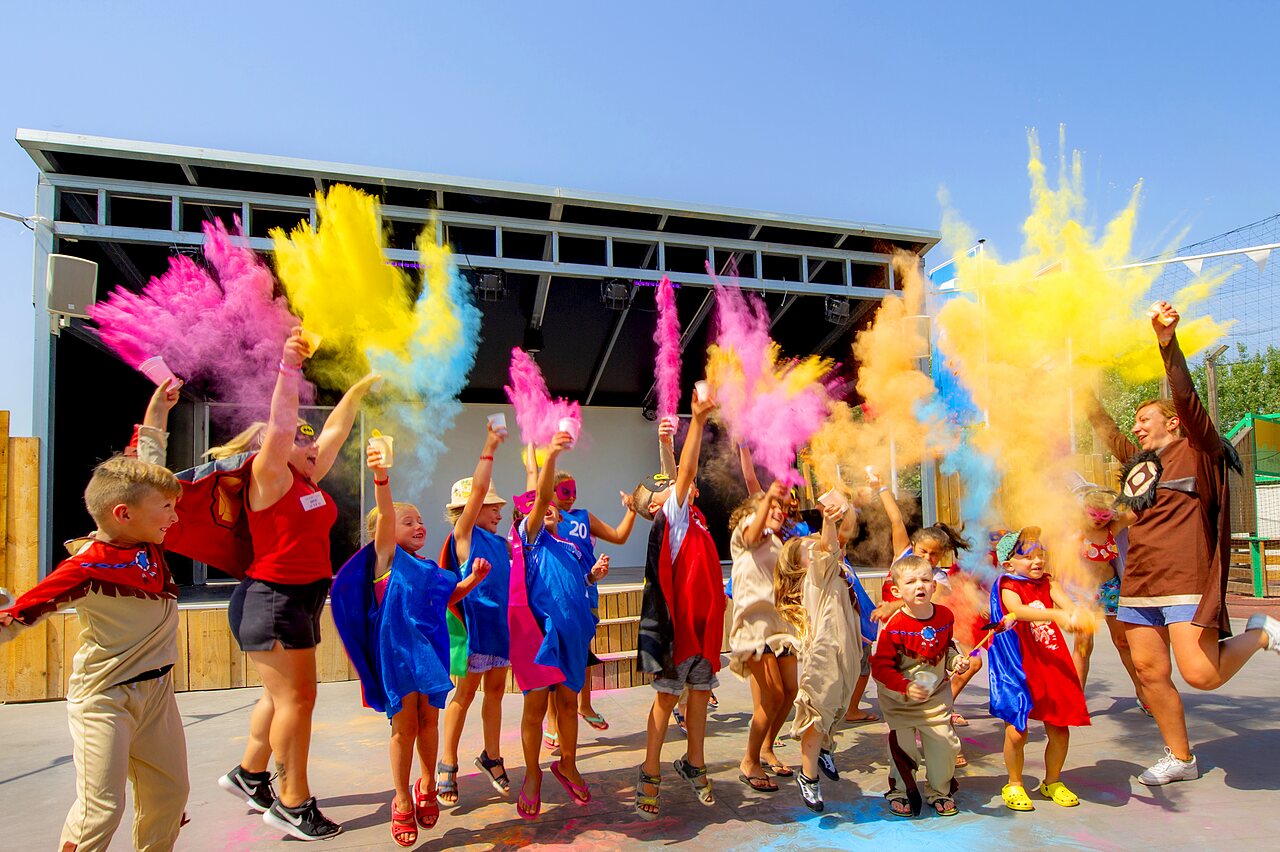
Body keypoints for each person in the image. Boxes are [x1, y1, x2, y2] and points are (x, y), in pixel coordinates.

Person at [1086, 303, 1280, 785]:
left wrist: (1167, 344)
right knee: (1150, 674)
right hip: (1139, 584)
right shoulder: (1140, 465)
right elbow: (1107, 430)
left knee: (1202, 675)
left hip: (1187, 579)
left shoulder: (1200, 450)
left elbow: (1188, 397)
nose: (1136, 426)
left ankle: (1259, 632)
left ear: (1173, 423)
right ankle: (1181, 758)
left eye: (1145, 418)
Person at [216, 329, 378, 841]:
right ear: (273, 448)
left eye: (309, 442)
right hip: (272, 599)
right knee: (297, 701)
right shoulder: (269, 476)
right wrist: (289, 366)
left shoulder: (305, 481)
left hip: (299, 597)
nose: (310, 443)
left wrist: (359, 390)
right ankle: (293, 801)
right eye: (298, 440)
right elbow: (284, 425)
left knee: (280, 697)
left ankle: (248, 774)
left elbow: (333, 429)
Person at [1, 450, 186, 852]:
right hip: (104, 699)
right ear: (123, 514)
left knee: (169, 796)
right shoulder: (83, 569)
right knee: (101, 809)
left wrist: (159, 410)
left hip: (158, 696)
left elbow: (148, 465)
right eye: (167, 508)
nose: (174, 517)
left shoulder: (147, 540)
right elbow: (17, 618)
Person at [331, 440, 491, 846]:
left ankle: (425, 783)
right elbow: (385, 512)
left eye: (420, 520)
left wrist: (471, 581)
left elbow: (447, 598)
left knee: (429, 721)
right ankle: (401, 799)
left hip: (431, 655)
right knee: (403, 728)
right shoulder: (387, 560)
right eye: (408, 521)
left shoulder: (429, 568)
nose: (418, 525)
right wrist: (382, 475)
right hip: (399, 657)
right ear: (384, 533)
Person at [633, 389, 724, 818]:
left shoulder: (695, 521)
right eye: (664, 494)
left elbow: (677, 479)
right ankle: (650, 772)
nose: (675, 491)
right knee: (667, 701)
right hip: (679, 634)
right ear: (657, 508)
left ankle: (694, 762)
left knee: (701, 695)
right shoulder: (671, 523)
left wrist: (665, 446)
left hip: (704, 633)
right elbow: (682, 476)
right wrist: (699, 421)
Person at [515, 429, 607, 819]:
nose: (548, 506)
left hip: (572, 638)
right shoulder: (529, 537)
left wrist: (593, 577)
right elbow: (538, 499)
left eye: (552, 504)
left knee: (568, 705)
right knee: (536, 709)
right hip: (539, 639)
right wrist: (549, 455)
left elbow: (576, 585)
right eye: (541, 503)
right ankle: (533, 773)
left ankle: (568, 763)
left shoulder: (569, 545)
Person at [987, 528, 1091, 812]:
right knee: (1017, 732)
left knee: (1060, 726)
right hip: (1017, 664)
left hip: (1049, 659)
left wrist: (1079, 618)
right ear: (1009, 563)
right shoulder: (1007, 584)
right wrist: (1056, 614)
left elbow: (1070, 608)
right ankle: (1015, 783)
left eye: (1040, 555)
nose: (1037, 561)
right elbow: (1018, 611)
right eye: (1028, 556)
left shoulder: (1049, 583)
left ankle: (1053, 781)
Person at [438, 422, 513, 806]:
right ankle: (447, 762)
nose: (499, 510)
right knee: (463, 695)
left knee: (496, 693)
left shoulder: (502, 544)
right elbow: (480, 489)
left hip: (500, 632)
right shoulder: (464, 536)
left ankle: (492, 756)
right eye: (492, 506)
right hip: (473, 633)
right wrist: (489, 445)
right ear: (471, 509)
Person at [774, 501, 863, 813]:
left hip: (847, 650)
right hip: (825, 655)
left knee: (839, 704)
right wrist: (828, 519)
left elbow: (834, 547)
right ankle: (808, 775)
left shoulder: (836, 576)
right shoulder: (815, 576)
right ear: (802, 565)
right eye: (809, 548)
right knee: (818, 709)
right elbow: (828, 546)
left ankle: (825, 747)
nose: (817, 546)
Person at [870, 555, 969, 818]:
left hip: (935, 697)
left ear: (934, 586)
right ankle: (900, 791)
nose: (919, 586)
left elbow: (947, 647)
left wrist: (956, 660)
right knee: (904, 747)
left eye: (925, 579)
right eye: (911, 581)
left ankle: (940, 791)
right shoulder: (894, 627)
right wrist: (905, 686)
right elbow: (880, 668)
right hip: (900, 701)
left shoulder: (945, 616)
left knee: (944, 744)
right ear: (896, 590)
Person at [552, 469, 638, 733]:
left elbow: (619, 536)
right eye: (565, 492)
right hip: (554, 598)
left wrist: (632, 510)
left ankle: (584, 705)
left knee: (583, 651)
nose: (571, 498)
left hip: (585, 592)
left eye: (574, 492)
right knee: (551, 655)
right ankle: (552, 720)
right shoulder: (542, 517)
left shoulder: (583, 517)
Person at [728, 480, 799, 791]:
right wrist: (769, 494)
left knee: (789, 692)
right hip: (754, 628)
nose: (778, 511)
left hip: (779, 628)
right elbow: (753, 531)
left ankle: (767, 746)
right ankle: (750, 760)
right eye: (772, 507)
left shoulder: (778, 544)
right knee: (771, 696)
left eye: (781, 508)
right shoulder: (746, 533)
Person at [1072, 487, 1145, 709]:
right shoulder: (1076, 530)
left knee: (1123, 642)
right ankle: (1075, 701)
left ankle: (1145, 694)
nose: (1099, 520)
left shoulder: (1113, 528)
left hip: (1111, 588)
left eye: (1105, 515)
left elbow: (1137, 510)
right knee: (1083, 645)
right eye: (1093, 514)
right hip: (1084, 592)